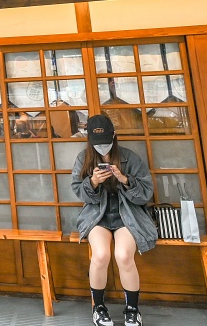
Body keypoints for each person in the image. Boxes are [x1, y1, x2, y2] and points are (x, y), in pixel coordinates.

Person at [71, 114, 156, 326]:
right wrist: (92, 182)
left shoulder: (130, 158)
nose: (102, 147)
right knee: (100, 255)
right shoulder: (83, 159)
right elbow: (78, 192)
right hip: (97, 216)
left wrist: (124, 180)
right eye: (97, 143)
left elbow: (145, 194)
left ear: (114, 136)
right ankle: (98, 308)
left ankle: (132, 309)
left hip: (127, 216)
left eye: (106, 141)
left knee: (124, 255)